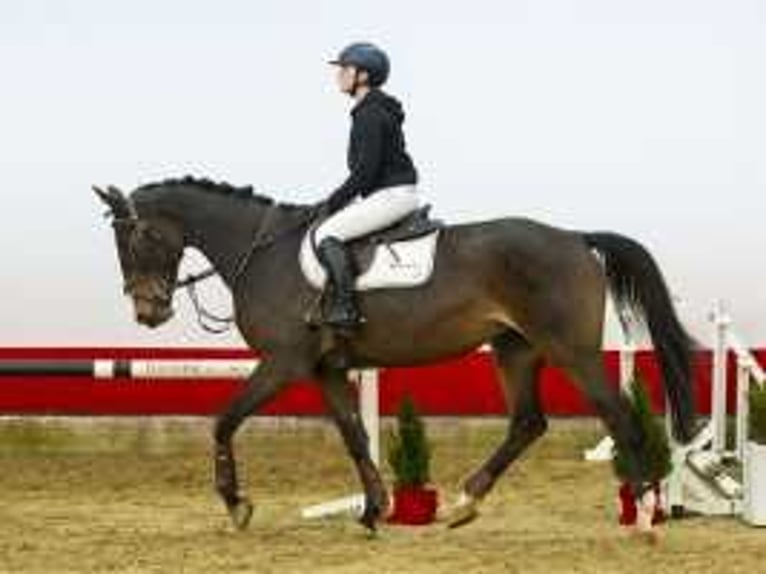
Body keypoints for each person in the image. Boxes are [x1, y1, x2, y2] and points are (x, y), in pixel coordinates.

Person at [316, 42, 420, 333]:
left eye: (344, 69)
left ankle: (345, 309)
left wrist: (331, 203)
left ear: (362, 75)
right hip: (393, 193)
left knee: (327, 233)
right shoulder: (373, 108)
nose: (339, 75)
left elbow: (365, 171)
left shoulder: (369, 113)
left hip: (391, 194)